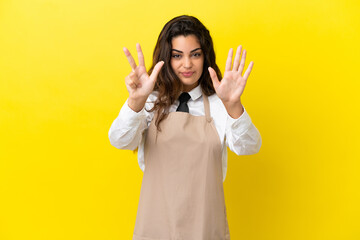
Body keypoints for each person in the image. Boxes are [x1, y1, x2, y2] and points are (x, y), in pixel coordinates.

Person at [108, 15, 262, 240]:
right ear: (166, 59)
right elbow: (120, 140)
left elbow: (249, 147)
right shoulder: (148, 101)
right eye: (177, 56)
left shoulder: (220, 105)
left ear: (205, 57)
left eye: (195, 54)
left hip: (206, 227)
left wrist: (234, 106)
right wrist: (135, 102)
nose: (187, 64)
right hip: (155, 225)